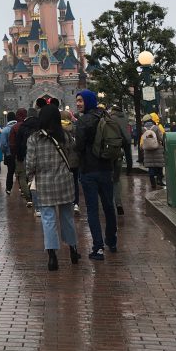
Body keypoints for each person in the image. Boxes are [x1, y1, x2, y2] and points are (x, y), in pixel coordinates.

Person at [26, 105, 81, 270]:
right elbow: (73, 156)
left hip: (44, 183)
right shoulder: (65, 136)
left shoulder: (34, 139)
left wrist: (30, 178)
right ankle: (73, 250)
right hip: (64, 182)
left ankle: (52, 257)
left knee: (48, 220)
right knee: (67, 218)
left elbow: (30, 163)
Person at [74, 89, 118, 260]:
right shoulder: (106, 116)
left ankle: (98, 248)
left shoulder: (84, 121)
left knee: (92, 209)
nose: (78, 103)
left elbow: (78, 146)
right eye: (77, 100)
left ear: (88, 101)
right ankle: (112, 241)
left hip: (89, 170)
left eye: (81, 100)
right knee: (108, 205)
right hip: (106, 167)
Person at [109, 104, 133, 215]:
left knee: (112, 178)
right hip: (127, 139)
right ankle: (129, 169)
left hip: (117, 142)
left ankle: (112, 203)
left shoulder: (112, 118)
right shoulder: (125, 116)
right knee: (128, 155)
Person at [139, 114, 165, 189]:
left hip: (147, 150)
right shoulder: (156, 127)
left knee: (151, 167)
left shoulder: (143, 129)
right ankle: (159, 180)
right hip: (157, 149)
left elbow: (142, 139)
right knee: (159, 165)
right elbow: (161, 138)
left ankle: (152, 182)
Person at [2, 110, 26, 194]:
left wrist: (6, 152)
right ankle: (22, 188)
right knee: (21, 171)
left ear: (7, 119)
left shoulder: (5, 130)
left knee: (10, 171)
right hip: (20, 152)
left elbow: (3, 144)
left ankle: (8, 188)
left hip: (9, 154)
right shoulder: (21, 126)